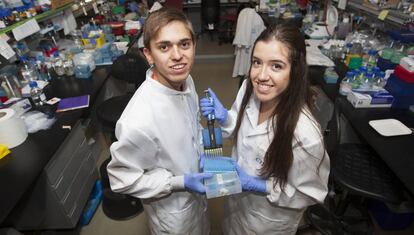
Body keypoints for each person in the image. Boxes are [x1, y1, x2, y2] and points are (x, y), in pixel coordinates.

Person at [200, 24, 330, 234]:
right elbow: (244, 129)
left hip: (268, 221)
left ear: (295, 71)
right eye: (257, 62)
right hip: (236, 207)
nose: (261, 75)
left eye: (276, 66)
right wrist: (225, 117)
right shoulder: (249, 89)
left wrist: (258, 185)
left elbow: (310, 193)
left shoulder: (306, 134)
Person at [107, 7, 212, 235]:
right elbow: (121, 180)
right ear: (148, 54)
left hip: (198, 201)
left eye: (184, 44)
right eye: (164, 47)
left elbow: (189, 124)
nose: (177, 55)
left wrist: (202, 144)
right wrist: (178, 182)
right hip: (173, 214)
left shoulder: (187, 80)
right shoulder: (138, 120)